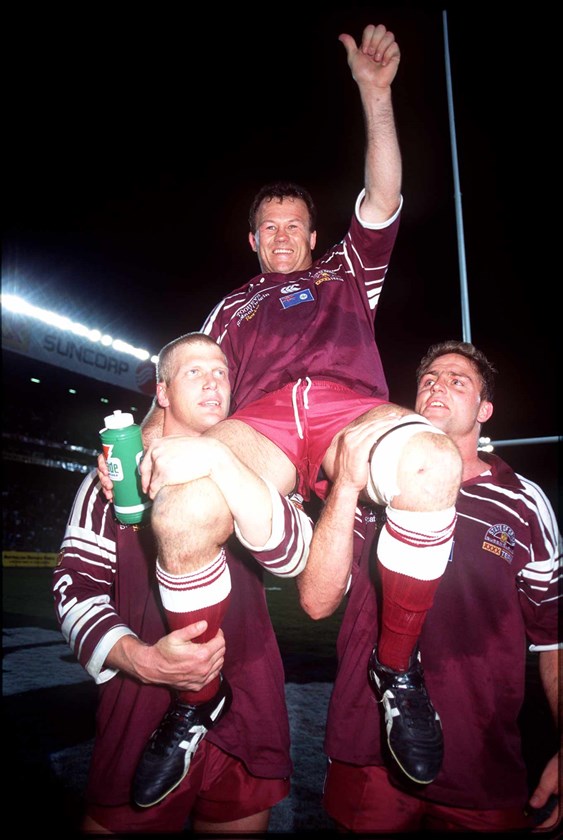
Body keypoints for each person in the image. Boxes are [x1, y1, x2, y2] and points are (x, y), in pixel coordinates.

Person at [127, 22, 463, 794]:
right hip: (263, 424)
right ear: (253, 240)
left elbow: (381, 195)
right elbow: (179, 382)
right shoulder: (230, 305)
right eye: (267, 226)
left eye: (293, 226)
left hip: (350, 412)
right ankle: (196, 701)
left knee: (427, 461)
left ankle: (395, 669)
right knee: (179, 514)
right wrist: (149, 440)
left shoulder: (349, 272)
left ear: (313, 236)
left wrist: (375, 95)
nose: (281, 235)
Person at [297, 340, 561, 834]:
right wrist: (349, 487)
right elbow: (316, 601)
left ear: (485, 410)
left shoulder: (523, 502)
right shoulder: (374, 487)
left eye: (458, 380)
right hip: (369, 748)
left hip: (481, 759)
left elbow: (554, 639)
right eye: (429, 379)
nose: (438, 384)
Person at [54, 332, 312, 834]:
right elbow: (74, 587)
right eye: (195, 372)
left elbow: (293, 560)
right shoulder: (110, 478)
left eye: (221, 372)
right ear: (163, 392)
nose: (214, 382)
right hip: (144, 705)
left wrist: (226, 468)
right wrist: (143, 660)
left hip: (247, 700)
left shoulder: (257, 468)